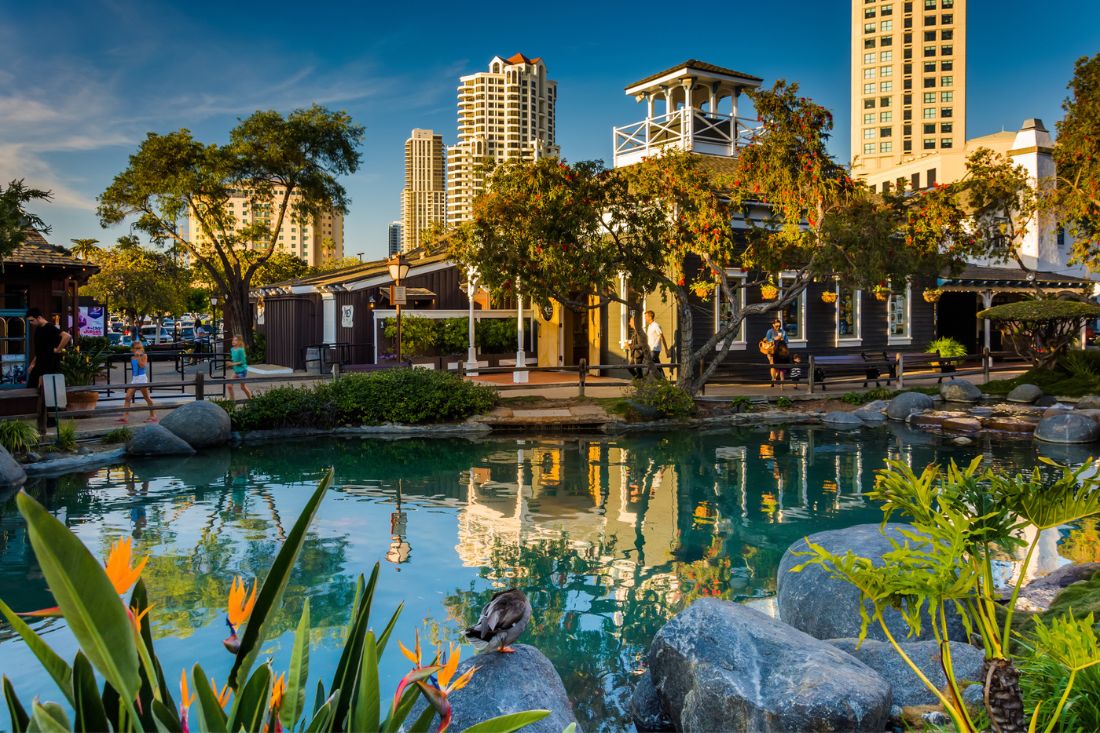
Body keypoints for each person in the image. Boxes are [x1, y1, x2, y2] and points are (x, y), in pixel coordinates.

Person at [26, 308, 71, 390]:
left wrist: (58, 349)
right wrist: (32, 364)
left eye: (32, 320)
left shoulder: (49, 327)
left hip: (49, 364)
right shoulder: (38, 329)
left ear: (39, 317)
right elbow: (40, 350)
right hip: (40, 363)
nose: (31, 323)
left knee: (45, 390)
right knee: (31, 388)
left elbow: (67, 336)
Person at [119, 342, 157, 423]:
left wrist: (139, 356)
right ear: (132, 349)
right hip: (135, 379)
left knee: (147, 398)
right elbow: (134, 369)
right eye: (136, 348)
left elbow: (142, 366)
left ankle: (153, 416)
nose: (139, 350)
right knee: (127, 397)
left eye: (140, 348)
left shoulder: (144, 355)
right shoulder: (132, 357)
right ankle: (125, 417)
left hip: (142, 378)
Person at [764, 318, 789, 388]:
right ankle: (773, 379)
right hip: (772, 350)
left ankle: (776, 377)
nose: (778, 327)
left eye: (779, 326)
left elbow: (787, 340)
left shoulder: (783, 332)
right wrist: (775, 338)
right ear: (773, 325)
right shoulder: (770, 331)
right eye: (776, 326)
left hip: (780, 351)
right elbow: (767, 339)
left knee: (779, 366)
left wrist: (783, 339)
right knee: (772, 365)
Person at [644, 310, 670, 378]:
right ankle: (664, 380)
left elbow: (662, 337)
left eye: (646, 316)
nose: (645, 318)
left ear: (650, 317)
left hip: (655, 349)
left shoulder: (656, 325)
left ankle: (643, 379)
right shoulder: (649, 326)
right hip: (650, 349)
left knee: (648, 364)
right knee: (658, 366)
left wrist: (666, 349)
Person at [227, 335, 253, 400]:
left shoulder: (241, 350)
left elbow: (243, 362)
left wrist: (232, 364)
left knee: (242, 387)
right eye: (233, 340)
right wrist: (229, 363)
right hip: (236, 371)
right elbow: (234, 359)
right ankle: (232, 401)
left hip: (242, 371)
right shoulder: (232, 349)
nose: (233, 341)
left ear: (239, 342)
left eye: (235, 340)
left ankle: (251, 399)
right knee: (229, 386)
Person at [626, 314, 646, 379]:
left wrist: (630, 346)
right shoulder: (635, 331)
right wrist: (629, 345)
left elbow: (641, 345)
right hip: (634, 354)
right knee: (630, 368)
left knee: (639, 371)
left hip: (638, 354)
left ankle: (640, 383)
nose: (629, 323)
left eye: (630, 321)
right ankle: (638, 380)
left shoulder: (639, 331)